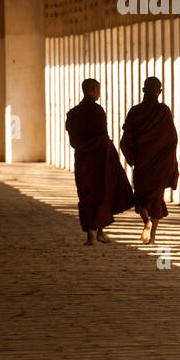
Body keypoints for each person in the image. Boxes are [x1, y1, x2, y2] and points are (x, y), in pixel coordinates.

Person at [65, 78, 134, 246]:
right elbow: (102, 136)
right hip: (100, 158)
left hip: (83, 158)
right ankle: (100, 233)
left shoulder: (73, 113)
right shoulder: (97, 111)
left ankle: (90, 235)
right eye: (99, 89)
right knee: (103, 192)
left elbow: (73, 139)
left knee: (86, 194)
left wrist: (83, 148)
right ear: (95, 90)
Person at [120, 76, 180, 245]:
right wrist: (170, 161)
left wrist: (133, 158)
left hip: (143, 160)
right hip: (160, 162)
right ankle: (152, 236)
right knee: (157, 198)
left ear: (143, 91)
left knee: (141, 196)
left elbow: (126, 139)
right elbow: (171, 139)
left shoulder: (135, 111)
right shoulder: (163, 111)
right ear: (159, 92)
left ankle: (145, 220)